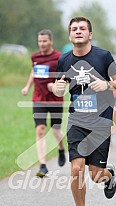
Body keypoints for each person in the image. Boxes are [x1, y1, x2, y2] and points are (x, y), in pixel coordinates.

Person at [48, 17, 116, 206]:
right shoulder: (64, 60)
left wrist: (107, 84)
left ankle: (108, 175)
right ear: (70, 35)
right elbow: (57, 86)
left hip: (100, 122)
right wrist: (58, 89)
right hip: (77, 121)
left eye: (83, 28)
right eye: (74, 29)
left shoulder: (103, 56)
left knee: (96, 175)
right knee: (76, 169)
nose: (78, 31)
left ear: (90, 34)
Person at [21, 29, 66, 178]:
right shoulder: (35, 57)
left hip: (55, 99)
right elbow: (33, 72)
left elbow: (63, 78)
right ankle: (43, 165)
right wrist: (27, 86)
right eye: (39, 41)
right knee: (40, 129)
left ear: (51, 41)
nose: (41, 44)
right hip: (39, 98)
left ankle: (61, 148)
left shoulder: (59, 57)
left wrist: (55, 86)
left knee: (55, 130)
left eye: (44, 41)